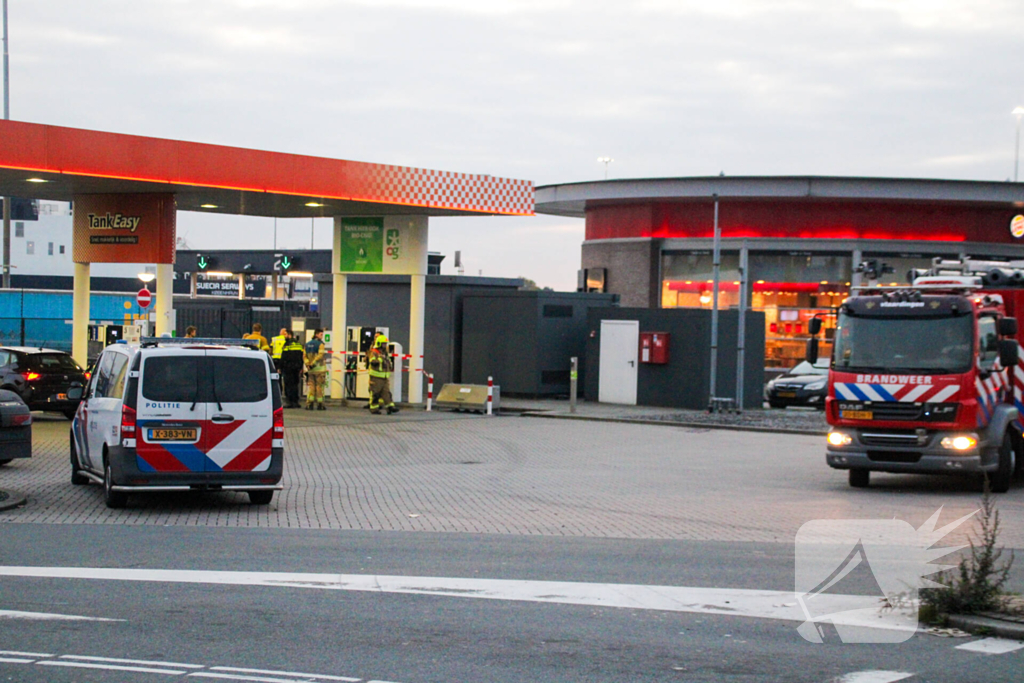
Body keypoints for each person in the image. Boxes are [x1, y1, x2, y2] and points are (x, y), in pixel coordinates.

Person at [367, 332, 399, 415]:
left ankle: (390, 407)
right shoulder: (374, 352)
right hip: (376, 377)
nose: (385, 345)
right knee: (375, 393)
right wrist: (381, 359)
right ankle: (374, 408)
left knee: (386, 392)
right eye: (384, 344)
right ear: (379, 343)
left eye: (385, 344)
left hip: (384, 377)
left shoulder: (384, 352)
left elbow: (388, 362)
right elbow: (373, 361)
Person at [278, 330, 305, 409]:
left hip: (288, 368)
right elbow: (301, 357)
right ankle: (295, 402)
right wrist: (300, 367)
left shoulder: (287, 345)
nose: (284, 336)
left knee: (288, 385)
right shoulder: (299, 344)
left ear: (289, 335)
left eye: (285, 334)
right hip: (296, 368)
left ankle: (289, 402)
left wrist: (280, 367)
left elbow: (284, 357)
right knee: (295, 385)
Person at [304, 328, 327, 411]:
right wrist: (313, 363)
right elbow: (320, 355)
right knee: (319, 387)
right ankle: (320, 404)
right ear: (316, 334)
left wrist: (308, 364)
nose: (322, 336)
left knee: (311, 387)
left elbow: (304, 356)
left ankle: (309, 404)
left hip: (310, 370)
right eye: (321, 334)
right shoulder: (320, 344)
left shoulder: (307, 344)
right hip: (319, 369)